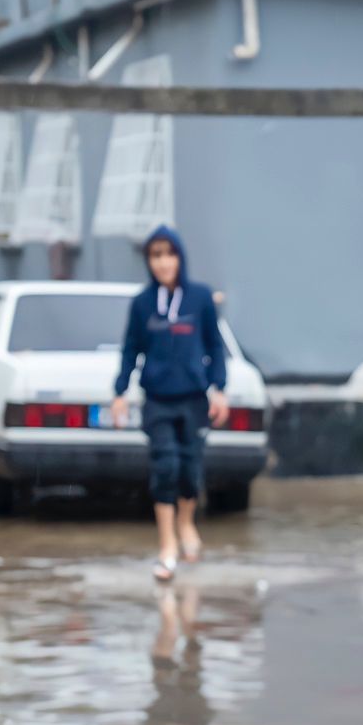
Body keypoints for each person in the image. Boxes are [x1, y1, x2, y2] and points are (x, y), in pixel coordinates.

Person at [112, 226, 228, 581]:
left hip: (193, 399)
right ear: (149, 261)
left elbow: (214, 347)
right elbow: (131, 349)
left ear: (179, 257)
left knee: (190, 469)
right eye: (156, 255)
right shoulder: (143, 303)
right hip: (157, 400)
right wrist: (120, 392)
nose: (163, 262)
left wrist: (219, 389)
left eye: (169, 254)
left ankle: (186, 524)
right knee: (165, 466)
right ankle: (167, 546)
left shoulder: (200, 298)